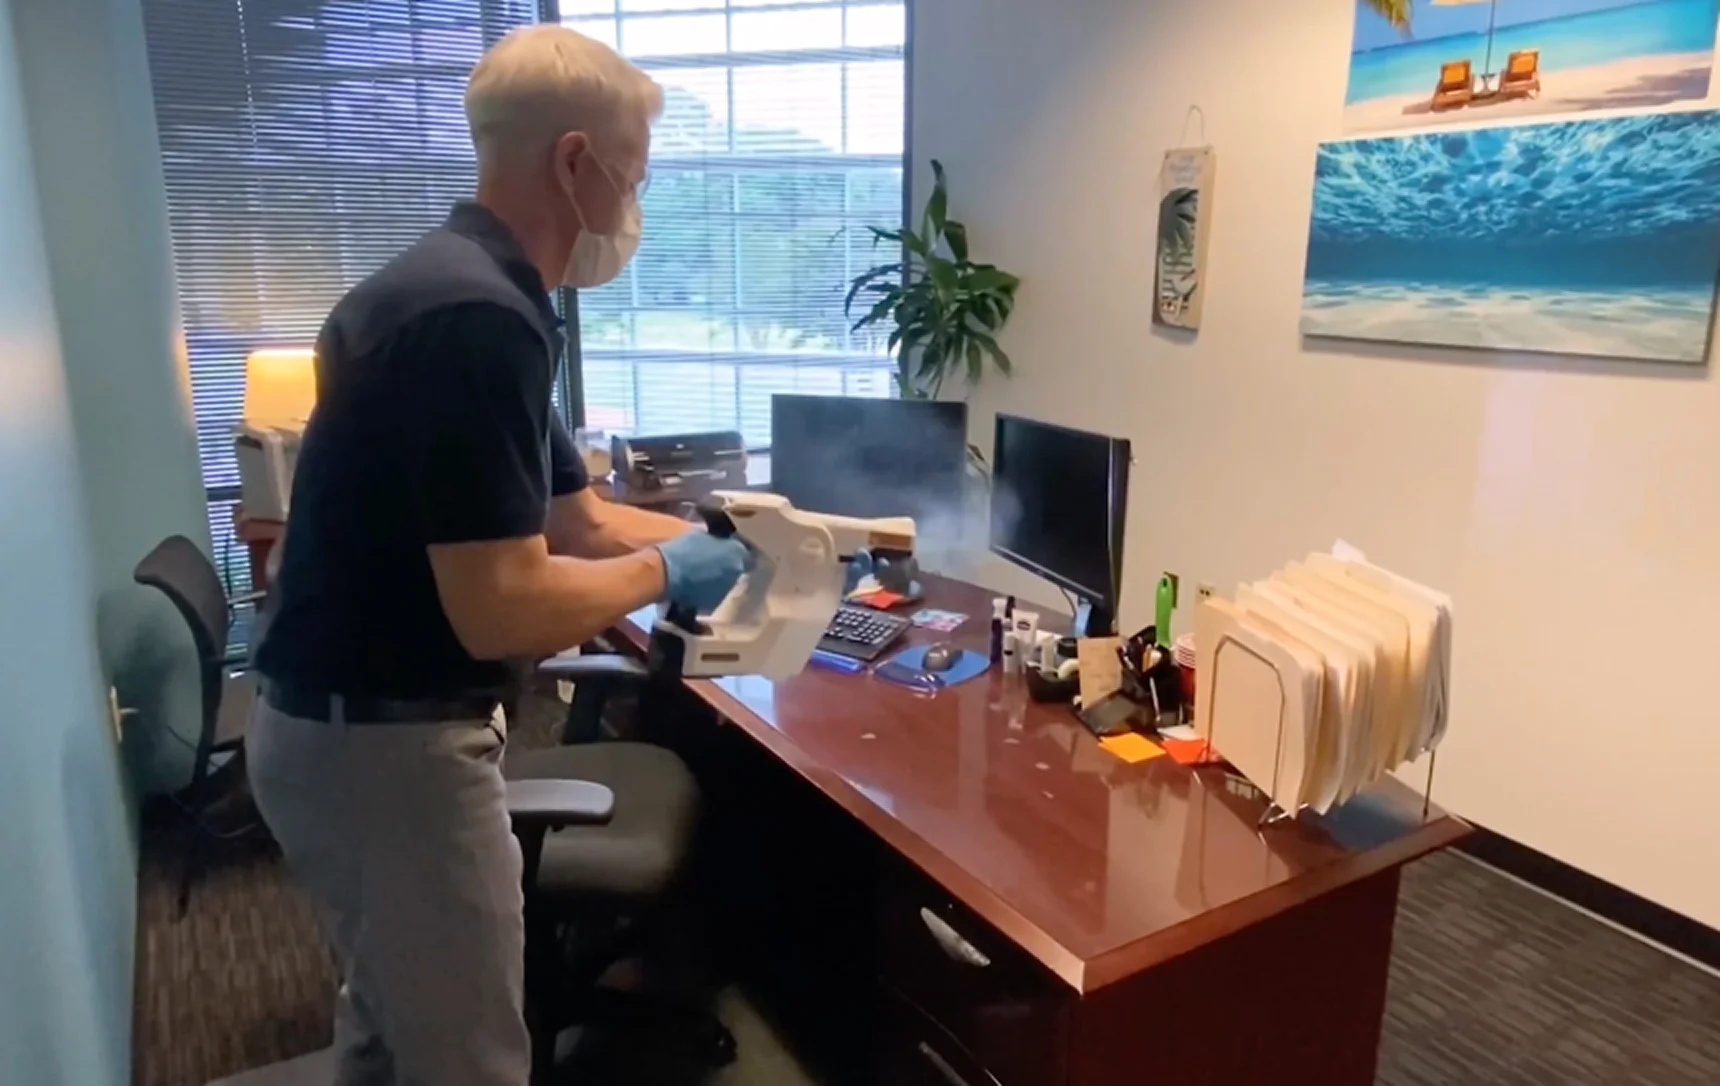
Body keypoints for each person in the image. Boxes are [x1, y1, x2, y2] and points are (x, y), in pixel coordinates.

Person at [246, 26, 747, 1086]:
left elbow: (580, 522)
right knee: (468, 1060)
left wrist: (747, 541)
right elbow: (503, 605)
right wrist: (671, 574)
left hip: (340, 730)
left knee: (390, 1029)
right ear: (574, 162)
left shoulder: (463, 285)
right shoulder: (475, 318)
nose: (635, 202)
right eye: (634, 175)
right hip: (385, 750)